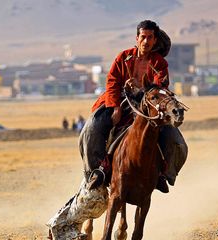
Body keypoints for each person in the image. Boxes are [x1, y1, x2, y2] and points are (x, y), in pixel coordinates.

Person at [79, 20, 188, 193]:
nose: (146, 41)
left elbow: (161, 87)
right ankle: (97, 171)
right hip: (119, 100)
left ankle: (164, 172)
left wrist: (140, 87)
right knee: (92, 127)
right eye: (143, 37)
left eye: (150, 37)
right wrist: (115, 107)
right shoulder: (123, 57)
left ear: (154, 40)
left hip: (149, 106)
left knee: (175, 139)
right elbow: (112, 81)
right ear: (137, 38)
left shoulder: (159, 63)